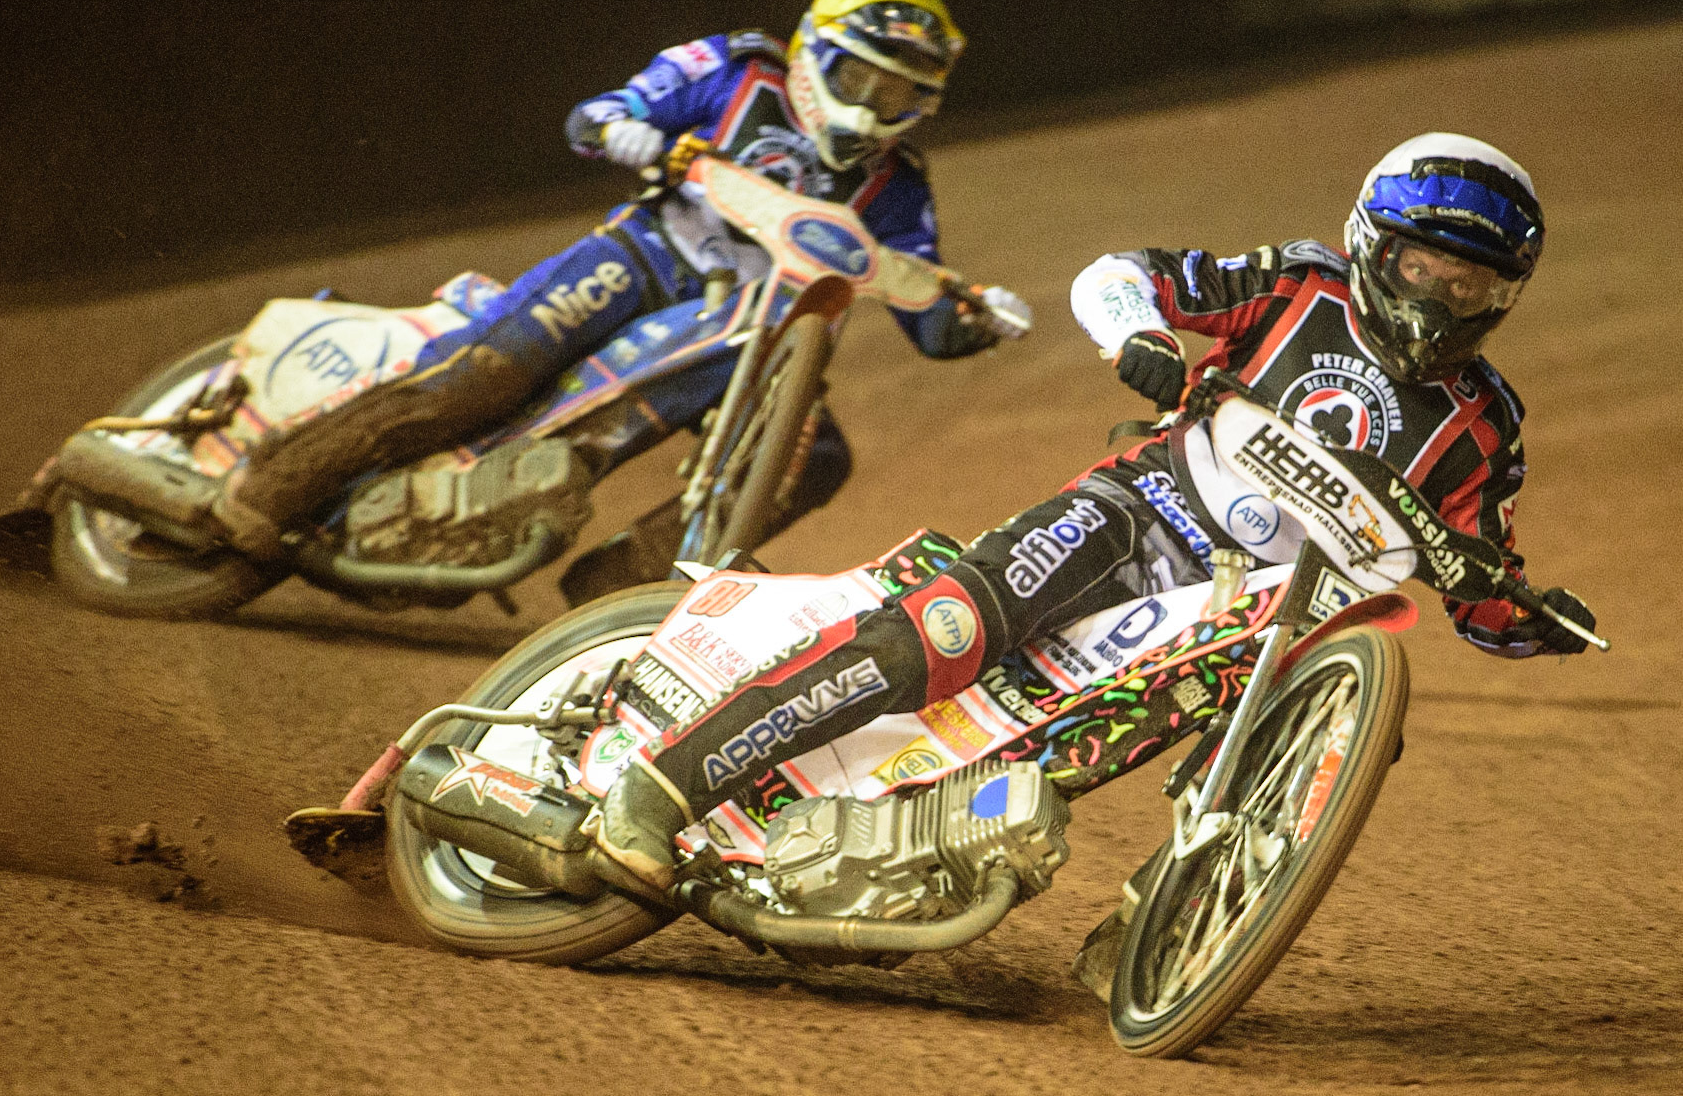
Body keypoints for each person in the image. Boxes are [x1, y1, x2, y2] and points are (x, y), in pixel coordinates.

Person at [595, 131, 1598, 890]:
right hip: (1145, 509)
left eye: (1471, 283)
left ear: (1506, 292)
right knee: (946, 633)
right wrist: (1137, 339)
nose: (1441, 299)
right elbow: (1120, 276)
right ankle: (665, 783)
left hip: (1256, 620)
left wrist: (1532, 618)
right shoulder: (1299, 285)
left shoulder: (1483, 426)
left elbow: (1480, 580)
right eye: (1425, 268)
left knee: (1287, 729)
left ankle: (1163, 912)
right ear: (1376, 249)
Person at [211, 0, 1032, 560]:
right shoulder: (739, 70)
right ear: (816, 50)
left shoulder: (898, 185)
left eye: (896, 96)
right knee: (483, 375)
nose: (873, 107)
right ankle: (271, 489)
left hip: (755, 332)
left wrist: (975, 320)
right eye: (861, 77)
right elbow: (600, 114)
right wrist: (624, 129)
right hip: (644, 257)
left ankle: (618, 596)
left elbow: (925, 310)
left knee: (813, 459)